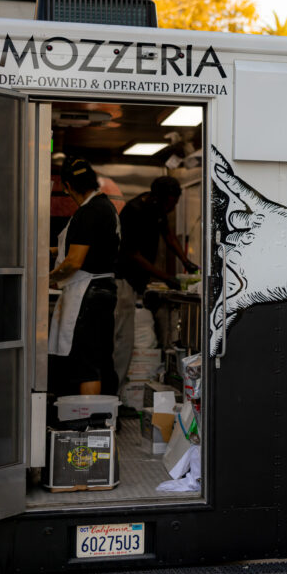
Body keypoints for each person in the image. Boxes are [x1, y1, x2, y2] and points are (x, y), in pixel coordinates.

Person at [113, 176, 198, 386]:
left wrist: (186, 261)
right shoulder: (134, 211)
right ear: (159, 198)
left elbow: (169, 237)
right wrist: (166, 278)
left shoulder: (157, 209)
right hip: (123, 281)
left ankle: (119, 388)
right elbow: (133, 254)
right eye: (172, 203)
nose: (173, 207)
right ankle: (115, 391)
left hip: (135, 283)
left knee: (127, 339)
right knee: (123, 340)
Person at [48, 158, 120, 397]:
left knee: (86, 364)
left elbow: (74, 262)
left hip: (88, 293)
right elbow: (88, 244)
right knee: (99, 359)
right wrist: (49, 251)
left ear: (67, 185)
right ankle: (103, 423)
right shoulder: (103, 206)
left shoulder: (89, 212)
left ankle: (87, 423)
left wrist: (46, 280)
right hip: (101, 289)